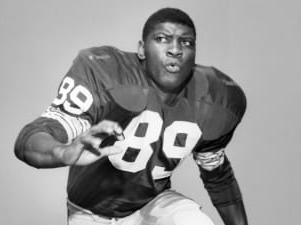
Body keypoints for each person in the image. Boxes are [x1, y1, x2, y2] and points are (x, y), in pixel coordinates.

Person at [14, 7, 248, 225]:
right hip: (90, 213)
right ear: (141, 49)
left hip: (155, 204)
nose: (175, 50)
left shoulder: (217, 98)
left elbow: (217, 175)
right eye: (162, 39)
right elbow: (30, 139)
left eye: (186, 42)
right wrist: (62, 152)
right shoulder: (105, 73)